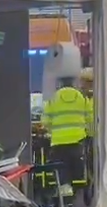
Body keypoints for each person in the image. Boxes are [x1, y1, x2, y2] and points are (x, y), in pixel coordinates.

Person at [40, 72, 94, 200]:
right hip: (77, 139)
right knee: (77, 162)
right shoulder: (81, 97)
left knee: (60, 164)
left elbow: (45, 121)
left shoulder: (53, 99)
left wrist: (50, 130)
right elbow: (89, 117)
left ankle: (64, 186)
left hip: (58, 140)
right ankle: (75, 185)